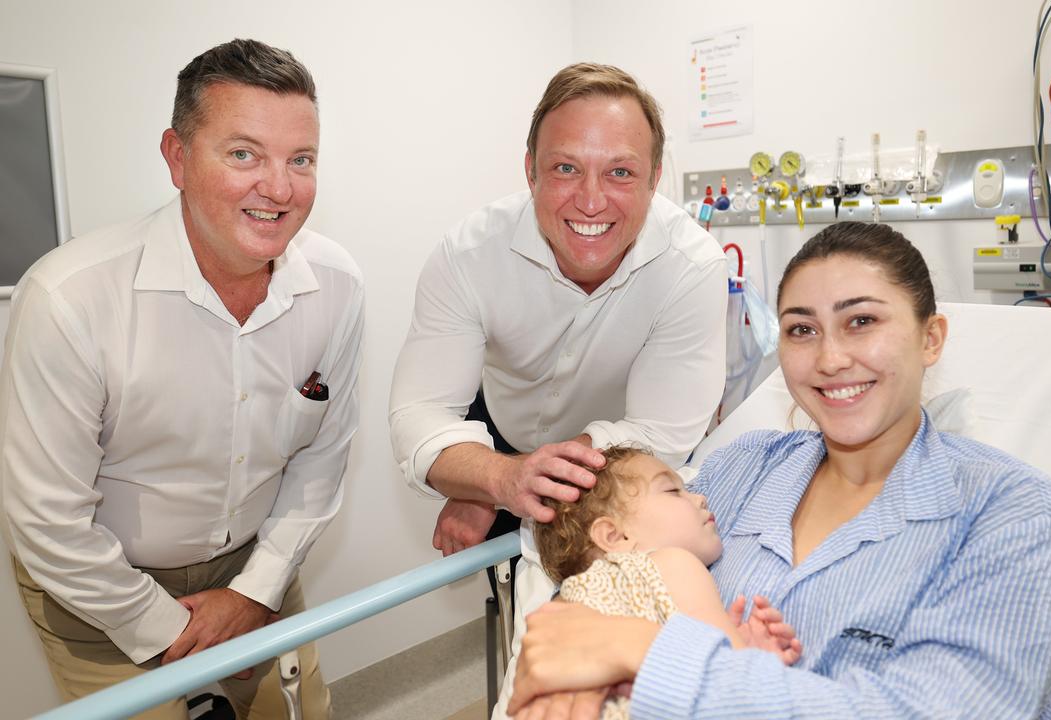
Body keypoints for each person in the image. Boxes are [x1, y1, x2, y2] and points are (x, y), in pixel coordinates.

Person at [508, 221, 1051, 719]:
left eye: (861, 321)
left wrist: (647, 652)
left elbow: (944, 709)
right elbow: (608, 589)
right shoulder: (740, 469)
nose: (831, 359)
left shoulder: (1014, 513)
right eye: (802, 330)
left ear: (930, 338)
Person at [0, 39, 360, 719]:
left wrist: (256, 593)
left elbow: (322, 460)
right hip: (94, 582)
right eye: (243, 154)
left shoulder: (338, 286)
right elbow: (49, 525)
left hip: (257, 563)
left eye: (300, 160)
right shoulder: (70, 298)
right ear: (178, 158)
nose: (279, 189)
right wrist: (179, 634)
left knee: (302, 711)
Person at [387, 64, 726, 568]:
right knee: (508, 592)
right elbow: (420, 413)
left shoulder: (691, 268)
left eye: (620, 172)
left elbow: (662, 431)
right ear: (531, 171)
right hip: (499, 431)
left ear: (654, 178)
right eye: (566, 168)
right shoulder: (470, 254)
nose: (591, 201)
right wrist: (492, 480)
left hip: (619, 453)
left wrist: (512, 483)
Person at [531, 445, 802, 718]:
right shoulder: (672, 564)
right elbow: (738, 688)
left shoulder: (575, 604)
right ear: (615, 537)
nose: (700, 497)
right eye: (673, 491)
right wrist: (755, 658)